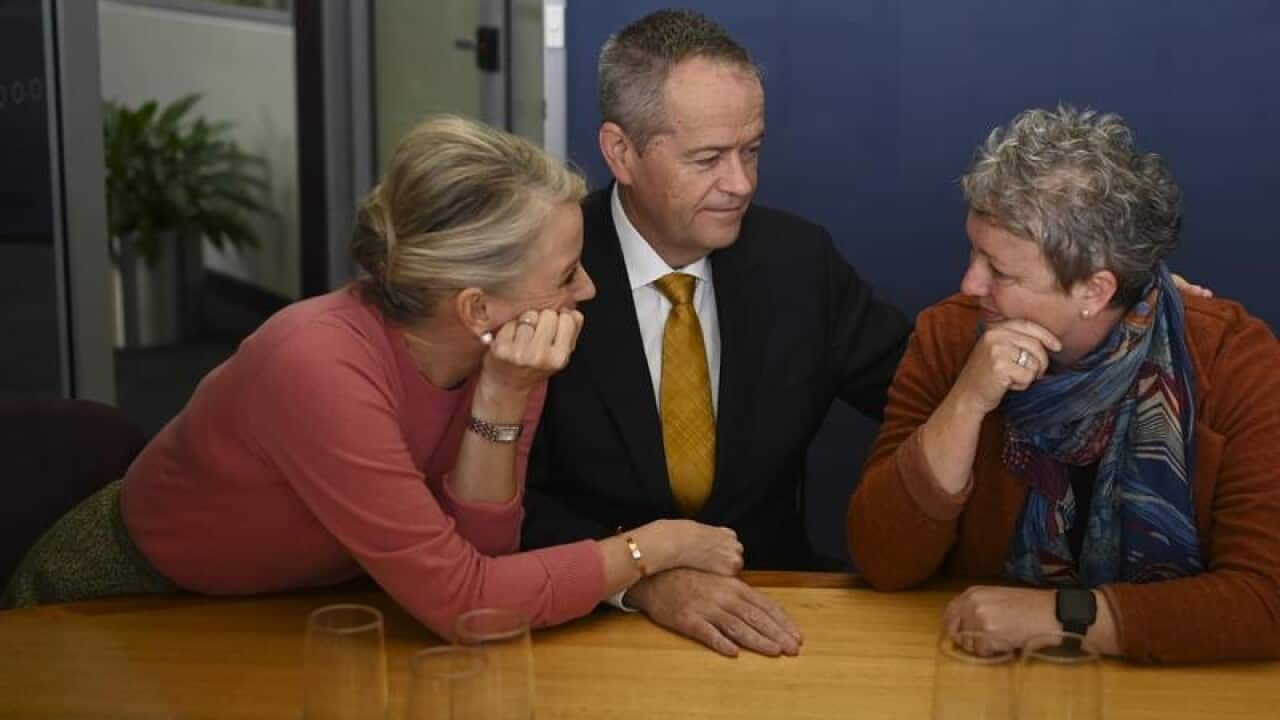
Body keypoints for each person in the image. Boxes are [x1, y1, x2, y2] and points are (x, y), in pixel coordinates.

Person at [2, 115, 747, 640]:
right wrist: (652, 549)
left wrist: (502, 394)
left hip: (292, 606)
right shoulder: (316, 366)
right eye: (565, 273)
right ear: (475, 305)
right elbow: (466, 606)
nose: (586, 290)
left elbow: (482, 562)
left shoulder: (511, 348)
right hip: (129, 602)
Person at [521, 10, 912, 658]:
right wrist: (643, 578)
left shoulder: (799, 262)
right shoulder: (546, 269)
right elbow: (505, 502)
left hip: (773, 612)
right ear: (621, 151)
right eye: (708, 159)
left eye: (751, 150)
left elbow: (920, 392)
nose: (742, 183)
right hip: (592, 632)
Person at [847, 106, 1280, 663]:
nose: (969, 282)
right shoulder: (951, 336)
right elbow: (882, 560)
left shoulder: (1230, 360)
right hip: (985, 672)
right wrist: (967, 403)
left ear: (1095, 292)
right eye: (973, 252)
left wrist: (1065, 619)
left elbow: (1265, 599)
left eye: (999, 271)